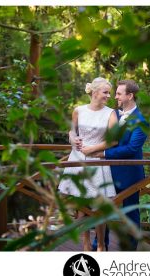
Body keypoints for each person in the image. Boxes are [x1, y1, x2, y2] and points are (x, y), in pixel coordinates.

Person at [58, 77, 118, 252]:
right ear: (94, 92)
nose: (108, 96)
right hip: (77, 160)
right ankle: (85, 243)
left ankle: (100, 245)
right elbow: (71, 130)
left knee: (99, 205)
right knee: (80, 203)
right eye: (105, 92)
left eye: (109, 93)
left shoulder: (111, 113)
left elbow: (113, 140)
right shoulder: (78, 110)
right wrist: (72, 139)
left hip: (96, 162)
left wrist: (91, 149)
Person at [90, 79, 149, 251]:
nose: (115, 97)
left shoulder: (141, 121)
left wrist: (105, 153)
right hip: (107, 172)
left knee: (131, 213)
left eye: (118, 94)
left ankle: (130, 250)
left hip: (129, 174)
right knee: (104, 209)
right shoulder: (112, 114)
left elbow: (131, 148)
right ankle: (100, 246)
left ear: (130, 96)